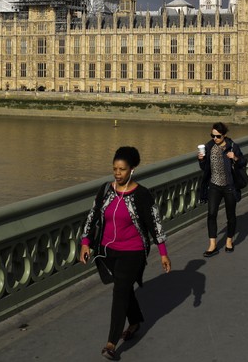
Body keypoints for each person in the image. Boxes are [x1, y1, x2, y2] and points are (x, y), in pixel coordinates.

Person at [79, 146, 171, 360]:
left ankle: (111, 343)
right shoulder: (105, 190)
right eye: (114, 169)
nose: (117, 173)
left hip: (133, 251)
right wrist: (86, 243)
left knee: (120, 291)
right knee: (124, 288)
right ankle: (136, 321)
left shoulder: (142, 195)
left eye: (122, 169)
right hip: (107, 251)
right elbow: (92, 217)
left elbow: (155, 225)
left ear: (132, 170)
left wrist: (163, 253)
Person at [197, 122, 244, 256]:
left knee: (231, 215)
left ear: (224, 135)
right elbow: (204, 168)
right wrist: (201, 160)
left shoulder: (232, 146)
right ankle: (213, 244)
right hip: (214, 185)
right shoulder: (209, 146)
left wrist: (234, 157)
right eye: (212, 135)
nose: (215, 139)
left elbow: (243, 162)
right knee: (211, 214)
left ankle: (229, 241)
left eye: (218, 136)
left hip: (229, 186)